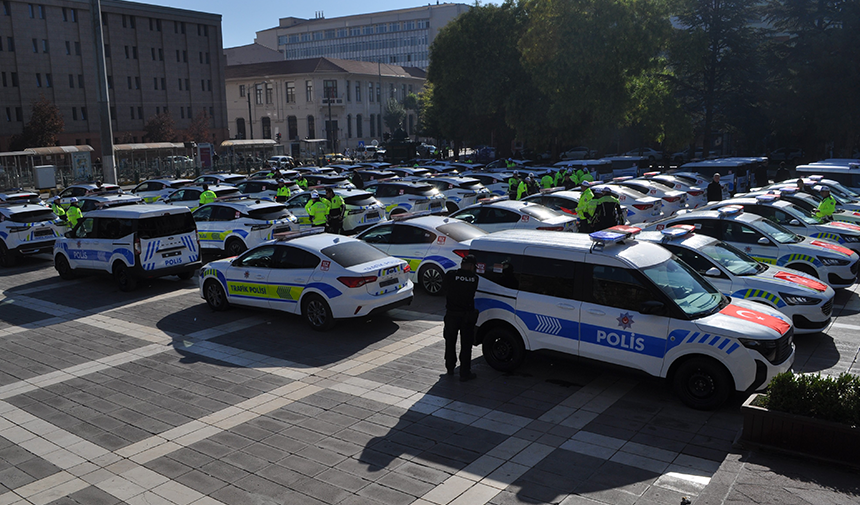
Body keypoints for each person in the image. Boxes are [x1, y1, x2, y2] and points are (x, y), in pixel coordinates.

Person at [442, 254, 479, 381]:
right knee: (466, 345)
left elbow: (444, 288)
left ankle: (450, 368)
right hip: (467, 316)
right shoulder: (474, 279)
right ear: (471, 266)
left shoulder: (450, 275)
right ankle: (465, 373)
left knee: (450, 342)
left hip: (452, 315)